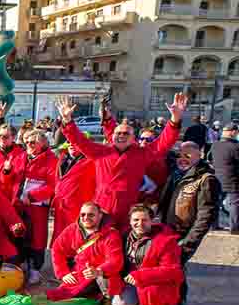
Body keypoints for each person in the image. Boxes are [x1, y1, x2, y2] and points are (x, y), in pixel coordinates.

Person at [57, 93, 187, 230]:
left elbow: (164, 142)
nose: (121, 136)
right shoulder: (100, 152)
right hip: (102, 207)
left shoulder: (142, 154)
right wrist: (67, 120)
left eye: (126, 134)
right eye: (118, 133)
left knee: (123, 245)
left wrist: (175, 118)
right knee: (99, 243)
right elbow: (79, 140)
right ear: (112, 137)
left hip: (128, 209)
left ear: (133, 138)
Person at [157, 141, 220, 305]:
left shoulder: (206, 179)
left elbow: (206, 216)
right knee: (172, 266)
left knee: (176, 264)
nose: (182, 158)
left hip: (184, 233)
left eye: (188, 155)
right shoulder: (176, 174)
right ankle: (173, 299)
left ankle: (177, 300)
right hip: (168, 230)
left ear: (199, 155)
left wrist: (189, 241)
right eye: (180, 155)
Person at [0, 129, 57, 284]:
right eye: (27, 142)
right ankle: (20, 264)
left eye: (33, 142)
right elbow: (7, 182)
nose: (29, 145)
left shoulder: (51, 159)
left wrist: (32, 196)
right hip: (17, 205)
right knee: (18, 234)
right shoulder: (20, 157)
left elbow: (53, 186)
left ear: (42, 143)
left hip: (37, 207)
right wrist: (6, 171)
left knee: (37, 238)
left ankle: (35, 268)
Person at [117, 205, 183, 305]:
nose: (140, 223)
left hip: (155, 283)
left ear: (152, 221)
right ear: (130, 221)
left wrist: (141, 275)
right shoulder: (125, 236)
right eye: (136, 220)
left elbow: (173, 270)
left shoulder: (165, 241)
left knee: (152, 291)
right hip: (132, 281)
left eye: (144, 220)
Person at [47, 202, 124, 303]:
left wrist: (98, 271)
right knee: (61, 295)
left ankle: (106, 299)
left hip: (100, 273)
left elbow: (116, 261)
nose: (86, 217)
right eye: (83, 214)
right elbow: (57, 249)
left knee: (79, 295)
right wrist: (63, 273)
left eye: (91, 215)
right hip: (79, 271)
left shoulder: (111, 234)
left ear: (100, 216)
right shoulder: (73, 229)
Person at [53, 139, 96, 242]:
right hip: (61, 207)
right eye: (68, 142)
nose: (71, 144)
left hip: (78, 207)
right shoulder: (62, 160)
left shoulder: (91, 161)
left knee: (77, 238)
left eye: (75, 141)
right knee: (60, 239)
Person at [209, 123, 239, 233]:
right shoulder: (235, 146)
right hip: (232, 178)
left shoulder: (215, 145)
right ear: (233, 132)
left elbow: (210, 159)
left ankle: (213, 225)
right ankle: (235, 228)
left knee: (216, 202)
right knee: (235, 204)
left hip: (217, 177)